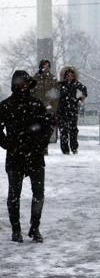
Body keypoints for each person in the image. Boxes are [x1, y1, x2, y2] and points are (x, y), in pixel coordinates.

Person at [1, 70, 54, 243]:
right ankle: (16, 230)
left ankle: (34, 228)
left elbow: (48, 126)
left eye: (26, 83)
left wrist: (41, 143)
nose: (24, 86)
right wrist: (8, 144)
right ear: (15, 85)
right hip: (16, 156)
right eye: (21, 83)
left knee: (38, 193)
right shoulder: (6, 105)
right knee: (14, 194)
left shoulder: (36, 104)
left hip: (35, 155)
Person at [57, 66, 87, 155]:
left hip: (73, 110)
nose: (70, 77)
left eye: (71, 75)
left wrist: (80, 99)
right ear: (65, 76)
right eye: (68, 75)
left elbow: (84, 90)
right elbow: (54, 95)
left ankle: (74, 148)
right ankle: (65, 149)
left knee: (73, 130)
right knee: (63, 131)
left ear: (74, 76)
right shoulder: (60, 85)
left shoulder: (76, 84)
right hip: (62, 110)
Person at [32, 60, 59, 146]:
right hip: (37, 108)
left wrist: (54, 107)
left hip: (49, 108)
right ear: (40, 66)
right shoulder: (35, 78)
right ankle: (41, 147)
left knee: (47, 129)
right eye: (44, 65)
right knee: (38, 128)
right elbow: (31, 93)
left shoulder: (53, 78)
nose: (46, 68)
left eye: (48, 66)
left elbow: (56, 94)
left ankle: (44, 145)